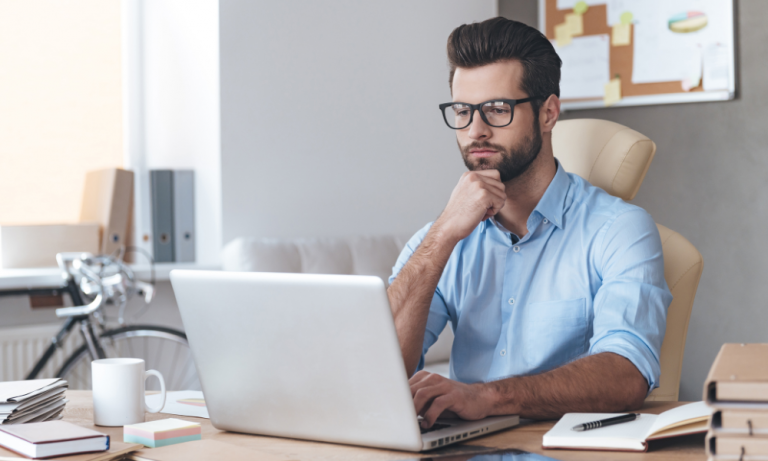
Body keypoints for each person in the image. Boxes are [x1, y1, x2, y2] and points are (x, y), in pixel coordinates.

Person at [387, 17, 672, 429]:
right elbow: (381, 370)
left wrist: (485, 397)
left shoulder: (620, 230)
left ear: (548, 113)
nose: (475, 131)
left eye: (497, 110)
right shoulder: (441, 237)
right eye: (463, 111)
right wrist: (443, 235)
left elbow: (627, 373)